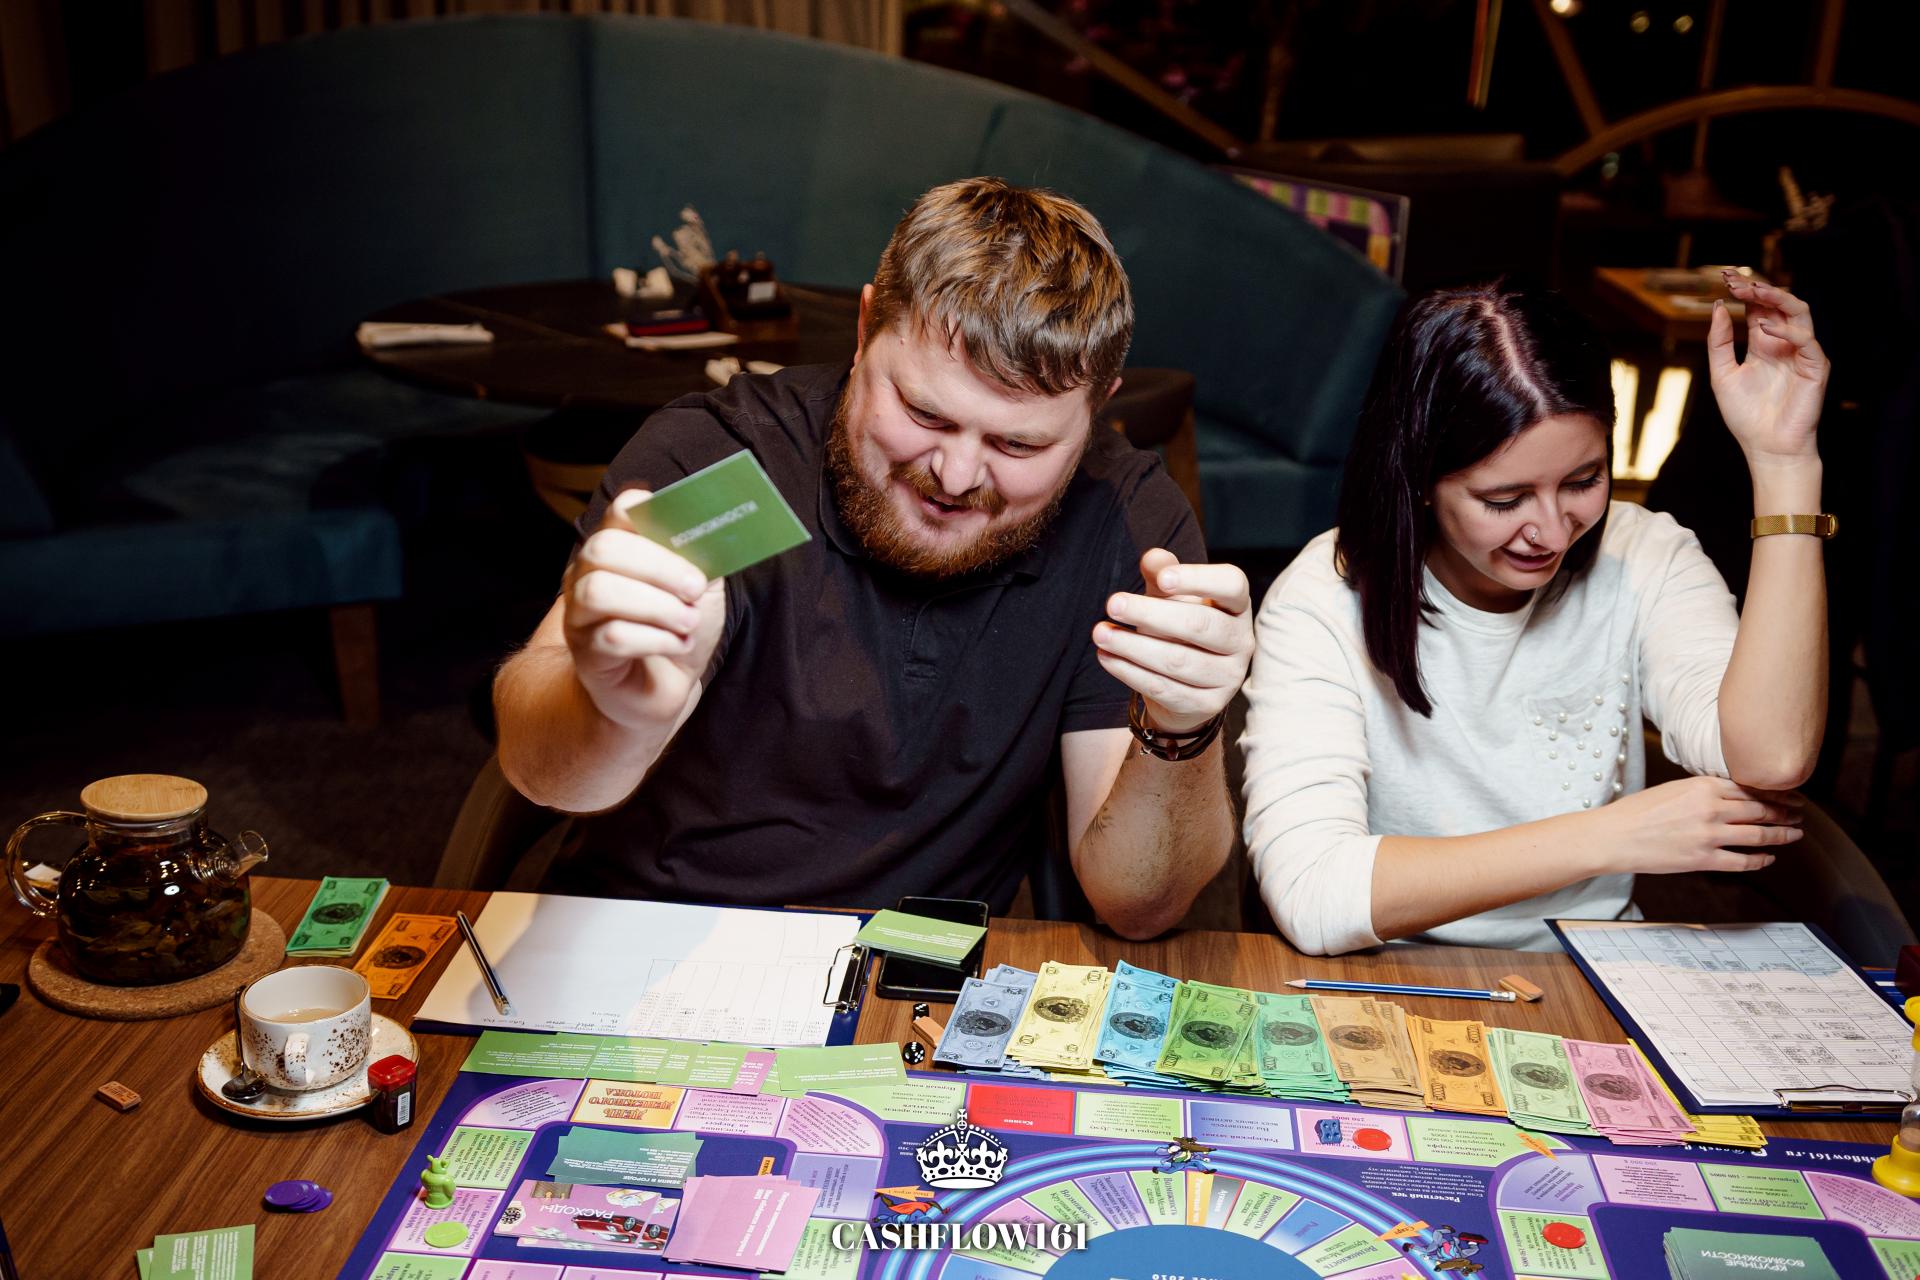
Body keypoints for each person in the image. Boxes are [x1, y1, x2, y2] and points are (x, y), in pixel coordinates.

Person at [494, 178, 1253, 940]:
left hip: (911, 974)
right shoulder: (730, 464)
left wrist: (1181, 727)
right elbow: (539, 772)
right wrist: (612, 715)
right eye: (924, 412)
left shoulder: (1125, 525)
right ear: (864, 330)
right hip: (652, 939)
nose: (956, 476)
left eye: (1017, 444)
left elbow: (1138, 905)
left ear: (1097, 407)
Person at [1241, 276, 1831, 953]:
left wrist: (1785, 465)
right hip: (1388, 977)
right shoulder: (1325, 597)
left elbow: (1771, 756)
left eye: (1583, 481)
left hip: (1595, 966)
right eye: (1504, 500)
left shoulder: (1645, 555)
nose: (1551, 532)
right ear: (1419, 479)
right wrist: (1612, 836)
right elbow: (1313, 893)